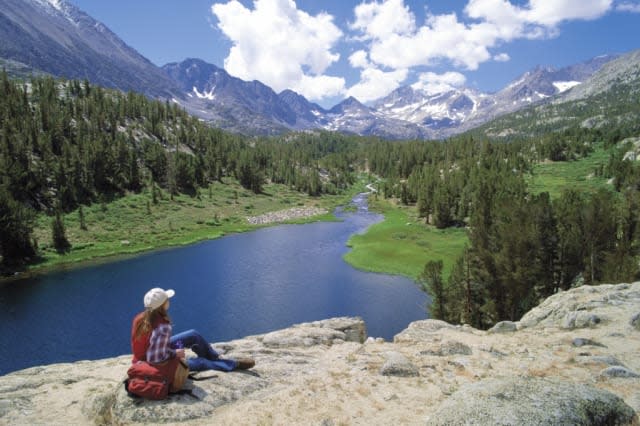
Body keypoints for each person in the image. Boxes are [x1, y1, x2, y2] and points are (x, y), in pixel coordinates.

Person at [131, 287, 255, 373]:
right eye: (167, 300)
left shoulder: (141, 317)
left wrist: (173, 349)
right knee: (201, 362)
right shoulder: (162, 327)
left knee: (193, 335)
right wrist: (175, 354)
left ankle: (214, 357)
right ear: (162, 305)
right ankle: (232, 364)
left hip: (153, 351)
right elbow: (155, 358)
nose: (169, 301)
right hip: (152, 364)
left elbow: (154, 345)